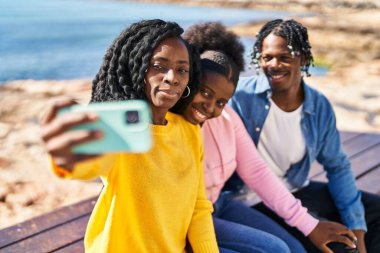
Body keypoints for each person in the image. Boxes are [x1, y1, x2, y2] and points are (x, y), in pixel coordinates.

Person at [172, 22, 357, 253]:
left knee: (293, 249)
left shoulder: (227, 118)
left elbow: (257, 171)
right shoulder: (171, 124)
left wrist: (310, 226)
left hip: (219, 205)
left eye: (221, 101)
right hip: (184, 219)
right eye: (205, 92)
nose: (210, 107)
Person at [40, 19, 219, 253]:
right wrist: (68, 156)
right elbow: (91, 165)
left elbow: (198, 206)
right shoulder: (121, 129)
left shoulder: (189, 130)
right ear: (137, 68)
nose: (172, 77)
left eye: (182, 69)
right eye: (159, 65)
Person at [227, 19, 380, 253]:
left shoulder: (318, 106)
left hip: (297, 189)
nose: (274, 65)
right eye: (267, 57)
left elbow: (337, 166)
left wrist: (357, 225)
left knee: (374, 215)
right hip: (252, 199)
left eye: (284, 57)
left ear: (304, 60)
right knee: (337, 246)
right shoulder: (239, 97)